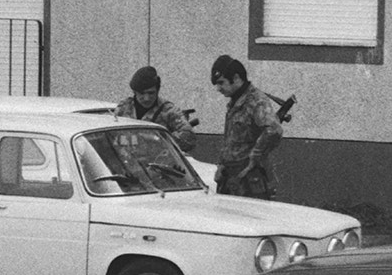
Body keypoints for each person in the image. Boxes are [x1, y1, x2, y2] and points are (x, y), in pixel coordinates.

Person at [210, 55, 281, 199]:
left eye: (221, 83)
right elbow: (232, 138)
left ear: (236, 78)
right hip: (231, 179)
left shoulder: (255, 101)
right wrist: (221, 164)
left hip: (249, 180)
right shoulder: (235, 102)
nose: (218, 89)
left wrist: (256, 155)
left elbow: (274, 130)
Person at [114, 65, 197, 154]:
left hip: (158, 163)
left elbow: (189, 138)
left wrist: (159, 139)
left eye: (151, 93)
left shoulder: (168, 110)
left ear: (157, 91)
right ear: (134, 92)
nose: (146, 98)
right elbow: (111, 137)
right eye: (141, 93)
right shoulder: (124, 108)